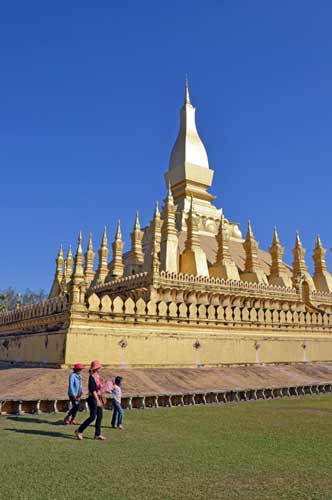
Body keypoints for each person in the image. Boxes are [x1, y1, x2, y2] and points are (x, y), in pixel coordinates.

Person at [75, 360, 106, 440]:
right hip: (93, 398)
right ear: (96, 368)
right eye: (99, 367)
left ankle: (97, 434)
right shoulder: (91, 377)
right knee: (92, 417)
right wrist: (97, 400)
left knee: (100, 416)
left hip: (98, 397)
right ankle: (79, 430)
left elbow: (99, 387)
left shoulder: (98, 376)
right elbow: (93, 390)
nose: (100, 368)